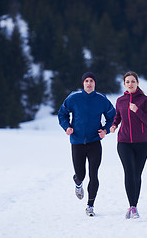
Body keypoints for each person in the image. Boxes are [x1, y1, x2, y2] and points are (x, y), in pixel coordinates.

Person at [58, 72, 115, 217]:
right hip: (77, 142)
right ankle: (77, 182)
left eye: (91, 81)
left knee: (93, 174)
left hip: (94, 142)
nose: (89, 83)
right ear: (83, 83)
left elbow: (112, 117)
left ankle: (90, 205)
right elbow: (62, 114)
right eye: (86, 81)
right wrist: (67, 127)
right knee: (81, 174)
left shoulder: (102, 99)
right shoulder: (74, 97)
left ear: (95, 83)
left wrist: (105, 130)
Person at [110, 71, 147, 219]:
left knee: (137, 174)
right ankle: (132, 207)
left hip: (142, 143)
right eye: (127, 81)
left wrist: (137, 110)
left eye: (133, 81)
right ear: (124, 84)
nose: (130, 84)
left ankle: (134, 205)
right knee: (129, 172)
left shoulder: (144, 100)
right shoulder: (120, 100)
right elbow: (117, 117)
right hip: (123, 143)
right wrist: (114, 125)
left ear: (137, 83)